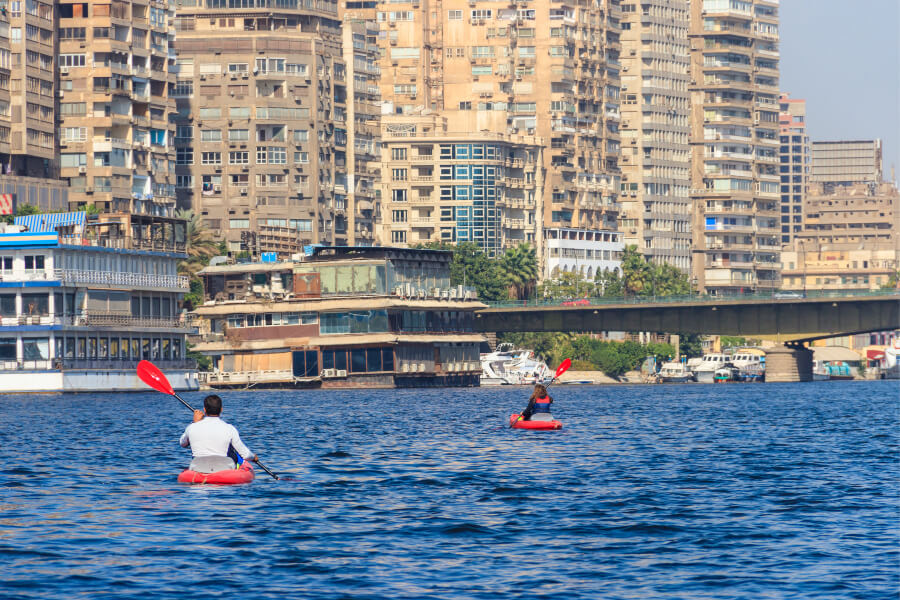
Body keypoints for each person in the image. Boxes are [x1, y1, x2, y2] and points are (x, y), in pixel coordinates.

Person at [179, 394, 258, 473]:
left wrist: (194, 423)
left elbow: (183, 443)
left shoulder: (192, 427)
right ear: (221, 409)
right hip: (223, 469)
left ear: (205, 410)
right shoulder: (230, 429)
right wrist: (253, 457)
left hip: (198, 469)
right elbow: (246, 455)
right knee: (233, 452)